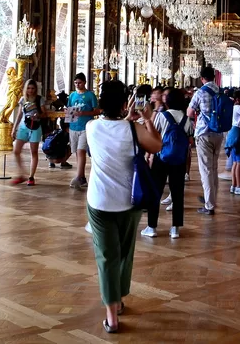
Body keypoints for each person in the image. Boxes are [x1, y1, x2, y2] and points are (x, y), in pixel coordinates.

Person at [85, 80, 162, 333]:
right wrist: (147, 119)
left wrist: (125, 118)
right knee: (124, 253)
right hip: (129, 201)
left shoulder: (91, 126)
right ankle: (118, 302)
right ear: (124, 102)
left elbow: (110, 134)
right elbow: (157, 146)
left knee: (106, 257)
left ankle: (112, 315)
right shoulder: (134, 129)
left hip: (99, 201)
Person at [142, 88, 191, 239]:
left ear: (168, 102)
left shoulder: (162, 116)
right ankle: (175, 228)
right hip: (179, 159)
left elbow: (154, 136)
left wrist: (148, 154)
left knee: (155, 191)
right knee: (177, 193)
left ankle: (152, 227)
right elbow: (189, 140)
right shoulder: (187, 119)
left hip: (161, 158)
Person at [187, 66, 228, 215]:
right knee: (214, 168)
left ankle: (209, 204)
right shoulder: (220, 91)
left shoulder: (200, 92)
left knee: (206, 170)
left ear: (202, 78)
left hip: (204, 133)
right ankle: (211, 199)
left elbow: (189, 112)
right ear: (214, 77)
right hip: (218, 133)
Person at [10, 80, 47, 186]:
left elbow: (45, 114)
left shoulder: (40, 99)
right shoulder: (23, 99)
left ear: (36, 89)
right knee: (16, 151)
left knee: (33, 152)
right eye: (29, 88)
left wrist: (38, 115)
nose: (30, 90)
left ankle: (31, 176)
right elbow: (19, 115)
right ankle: (21, 174)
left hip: (35, 127)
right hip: (23, 127)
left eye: (32, 88)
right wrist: (14, 128)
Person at [67, 72, 101, 188]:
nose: (77, 85)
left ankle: (78, 177)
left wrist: (84, 113)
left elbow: (97, 111)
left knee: (81, 151)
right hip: (73, 127)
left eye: (79, 83)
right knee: (77, 152)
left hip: (86, 126)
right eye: (75, 83)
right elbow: (69, 109)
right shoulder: (72, 96)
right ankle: (81, 177)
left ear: (84, 82)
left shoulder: (90, 95)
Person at [226, 89, 240, 196]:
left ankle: (234, 185)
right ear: (239, 99)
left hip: (232, 132)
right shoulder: (238, 107)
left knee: (235, 161)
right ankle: (239, 186)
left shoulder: (234, 107)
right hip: (236, 132)